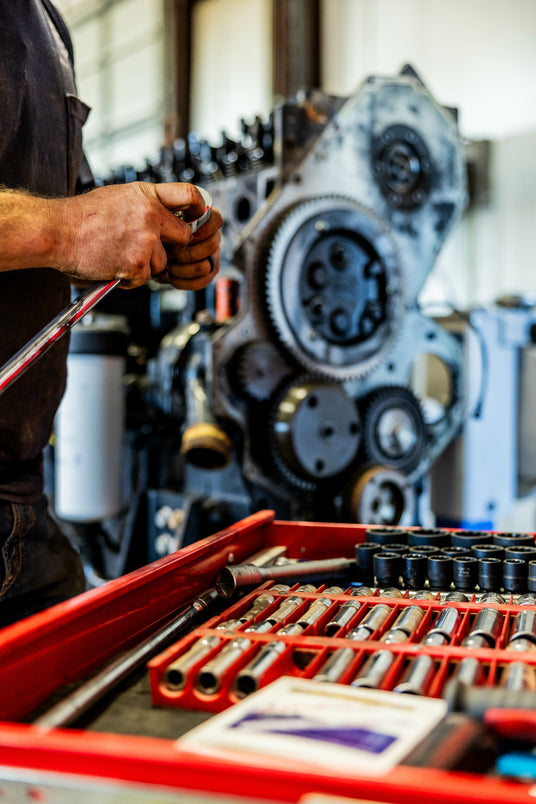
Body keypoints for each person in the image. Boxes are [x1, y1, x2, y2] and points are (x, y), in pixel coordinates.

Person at [0, 1, 222, 626]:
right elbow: (59, 227)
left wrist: (146, 238)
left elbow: (61, 228)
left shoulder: (45, 22)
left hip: (22, 504)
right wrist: (66, 229)